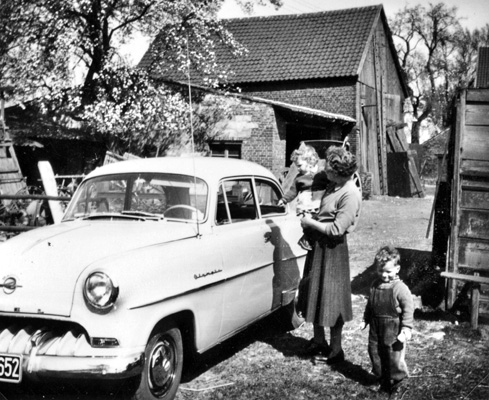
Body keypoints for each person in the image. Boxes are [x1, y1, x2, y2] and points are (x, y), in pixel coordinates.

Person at [298, 145, 362, 365]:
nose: (325, 172)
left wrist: (309, 222)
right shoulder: (334, 185)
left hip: (334, 251)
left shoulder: (350, 194)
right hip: (319, 247)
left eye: (330, 170)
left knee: (333, 299)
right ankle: (318, 341)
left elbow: (336, 230)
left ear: (341, 172)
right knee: (314, 294)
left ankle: (336, 349)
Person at [361, 246, 414, 394]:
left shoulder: (400, 288)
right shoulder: (374, 285)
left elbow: (409, 308)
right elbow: (370, 305)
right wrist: (365, 320)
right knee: (374, 351)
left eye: (388, 271)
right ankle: (381, 378)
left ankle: (398, 381)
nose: (384, 275)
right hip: (375, 326)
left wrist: (406, 328)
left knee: (393, 354)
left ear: (397, 269)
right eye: (380, 271)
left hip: (393, 327)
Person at [278, 144, 329, 251]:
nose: (297, 168)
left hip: (318, 202)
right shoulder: (298, 178)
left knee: (318, 222)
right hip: (305, 204)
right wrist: (284, 199)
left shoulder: (320, 174)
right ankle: (306, 238)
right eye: (296, 166)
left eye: (300, 165)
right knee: (306, 222)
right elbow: (293, 191)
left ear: (310, 161)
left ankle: (311, 238)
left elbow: (328, 185)